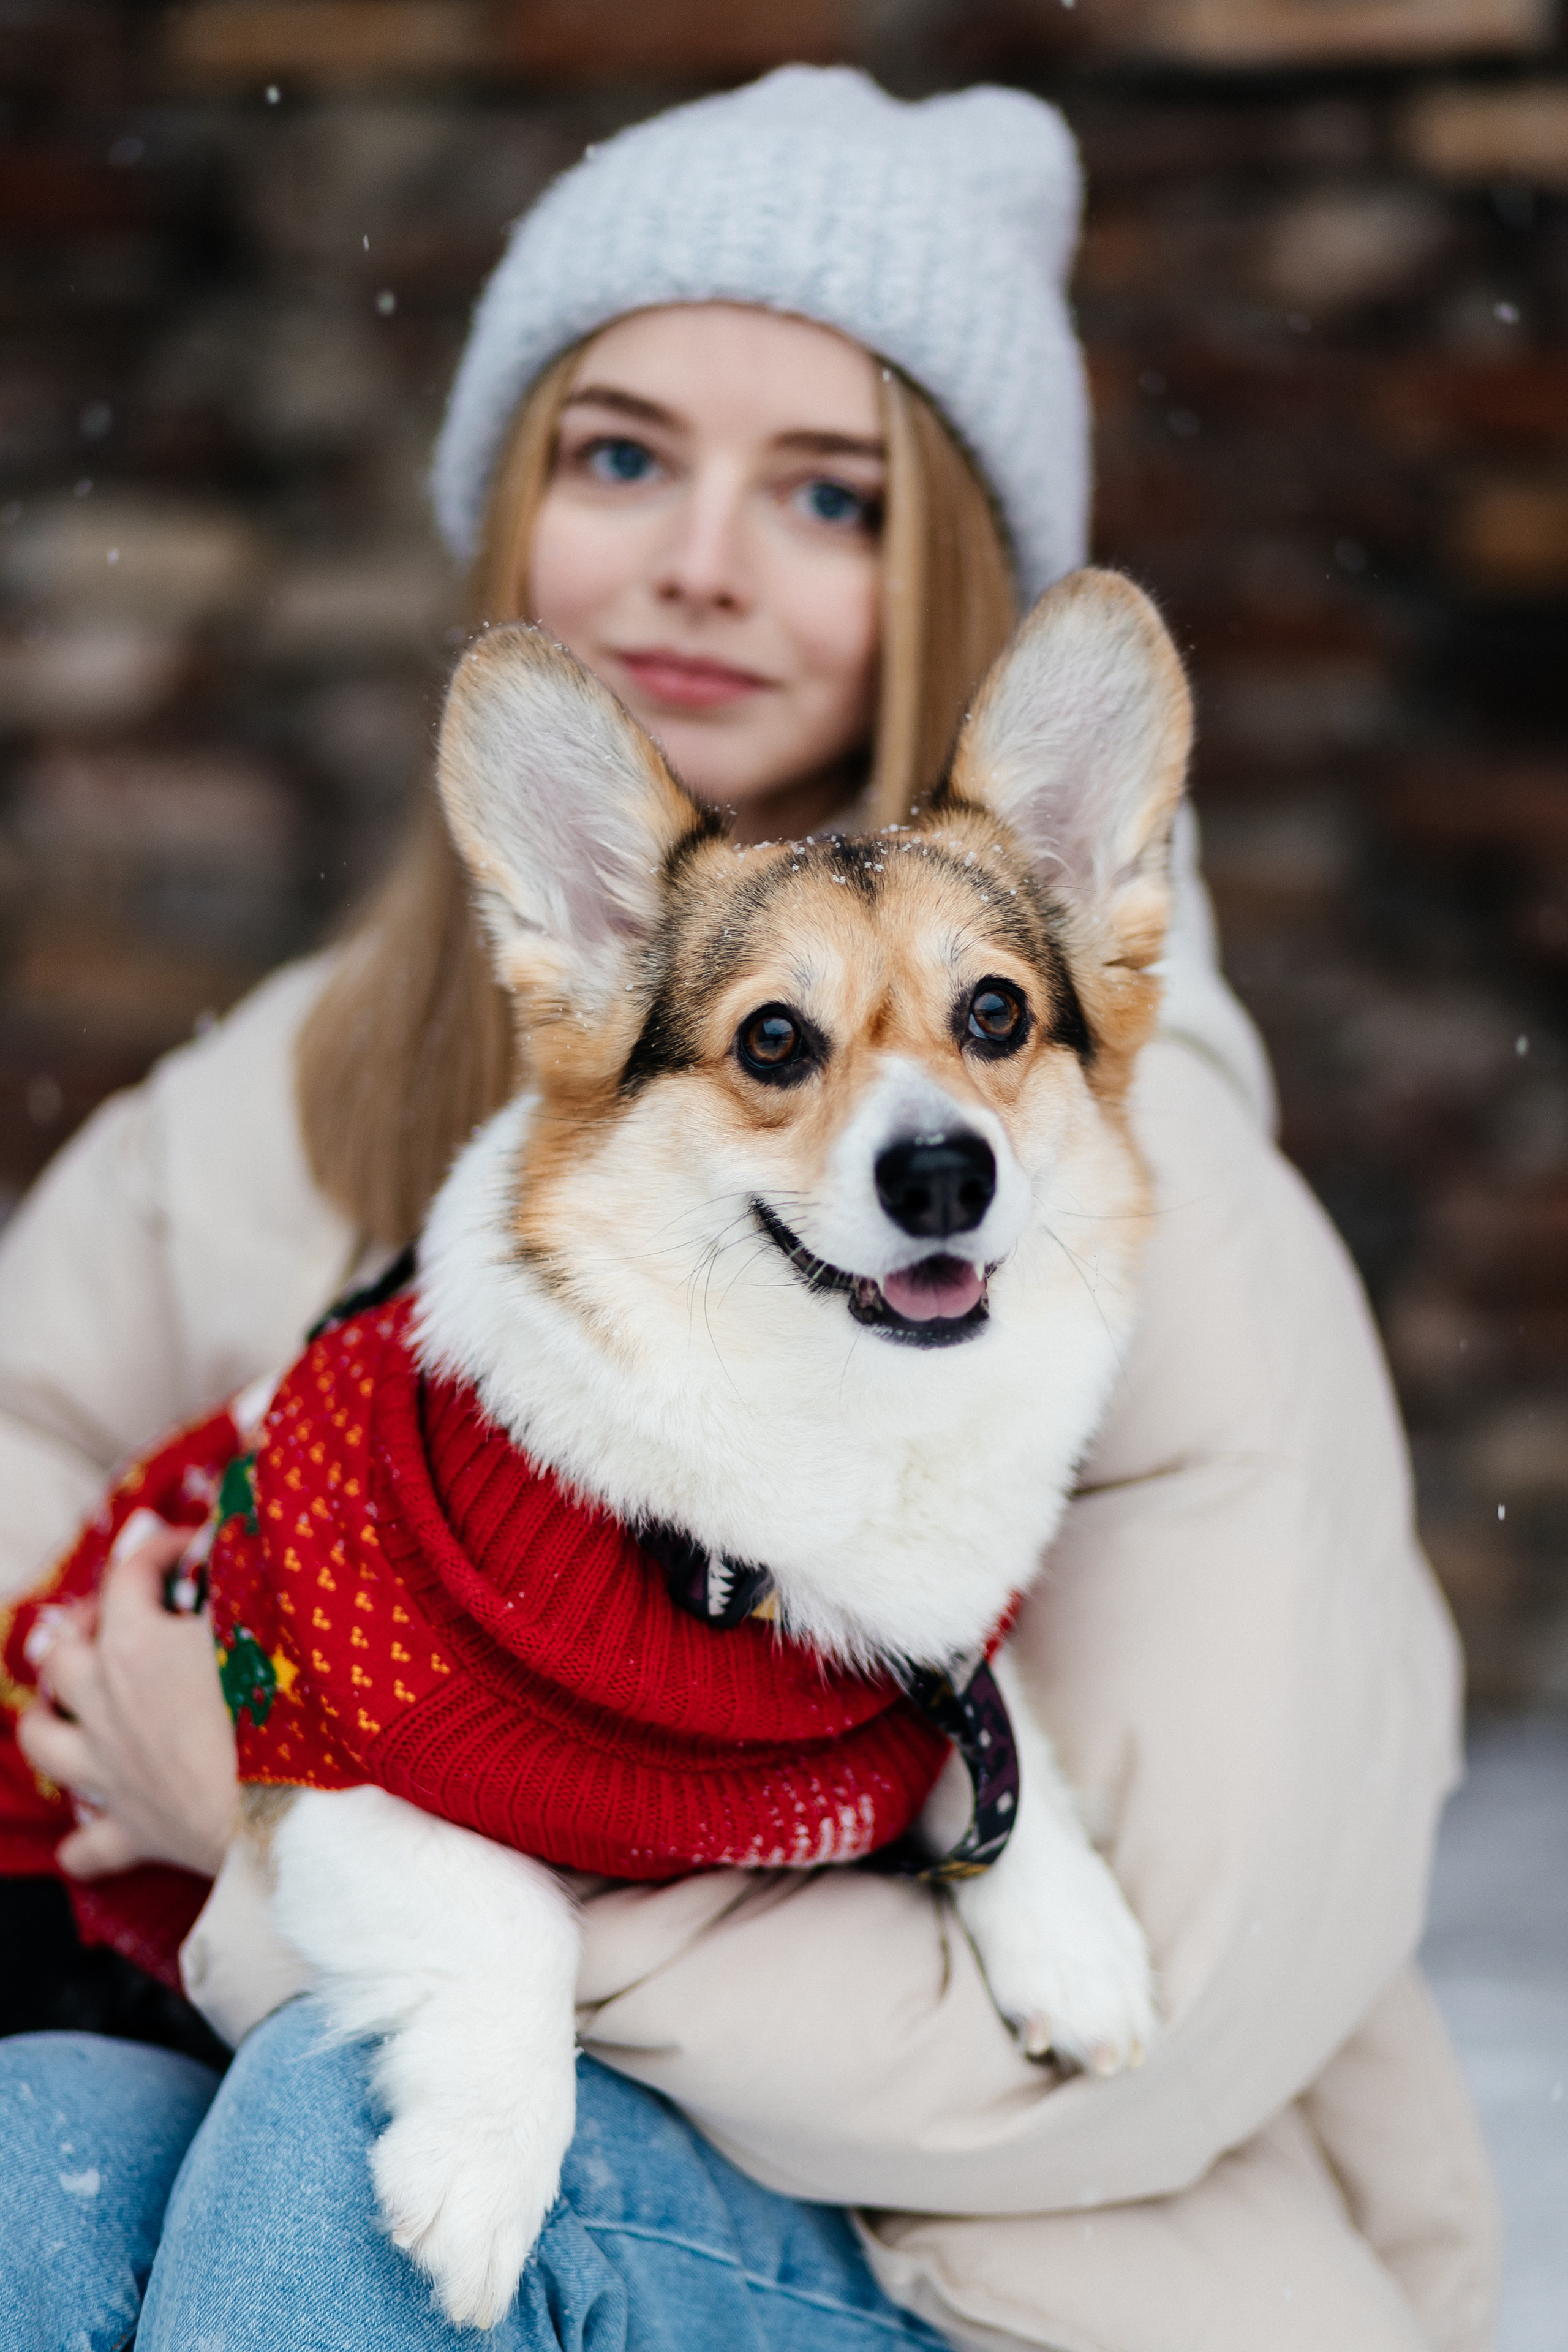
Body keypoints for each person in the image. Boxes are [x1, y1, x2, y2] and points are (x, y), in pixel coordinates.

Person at [0, 67, 1498, 2352]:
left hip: (1008, 2273)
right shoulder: (299, 1079)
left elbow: (1138, 2031)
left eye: (827, 491)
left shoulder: (1130, 1198)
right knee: (24, 2158)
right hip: (414, 2054)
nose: (701, 558)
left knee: (335, 2127)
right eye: (621, 454)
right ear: (512, 513)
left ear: (950, 574)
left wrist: (318, 1820)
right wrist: (153, 1676)